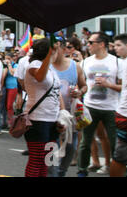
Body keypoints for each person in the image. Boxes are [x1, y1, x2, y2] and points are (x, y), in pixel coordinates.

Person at [77, 31, 123, 177]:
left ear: (102, 44)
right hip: (90, 106)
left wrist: (108, 85)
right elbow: (81, 84)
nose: (88, 45)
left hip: (111, 108)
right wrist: (78, 92)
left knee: (115, 141)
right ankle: (82, 170)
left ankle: (118, 170)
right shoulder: (85, 62)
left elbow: (124, 87)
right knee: (86, 141)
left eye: (91, 42)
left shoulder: (117, 62)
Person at [23, 38, 64, 177]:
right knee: (37, 159)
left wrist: (62, 115)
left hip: (51, 118)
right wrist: (49, 56)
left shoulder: (50, 67)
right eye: (55, 49)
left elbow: (56, 92)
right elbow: (40, 77)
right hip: (38, 118)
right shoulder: (34, 65)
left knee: (46, 160)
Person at [48, 39, 87, 177]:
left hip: (70, 114)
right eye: (50, 49)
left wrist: (80, 92)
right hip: (51, 113)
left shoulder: (75, 66)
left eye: (55, 48)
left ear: (64, 49)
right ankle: (51, 173)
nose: (52, 52)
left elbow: (84, 85)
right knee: (51, 146)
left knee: (70, 146)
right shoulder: (46, 67)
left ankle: (61, 172)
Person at [110, 34, 127, 177]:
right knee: (120, 156)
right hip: (125, 114)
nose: (115, 48)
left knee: (120, 155)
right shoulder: (124, 62)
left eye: (118, 45)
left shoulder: (124, 62)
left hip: (123, 112)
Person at [3, 53, 19, 128]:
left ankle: (11, 122)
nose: (7, 60)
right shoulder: (4, 65)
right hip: (5, 87)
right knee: (5, 106)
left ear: (12, 59)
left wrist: (9, 64)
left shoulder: (15, 65)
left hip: (12, 87)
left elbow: (13, 73)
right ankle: (6, 121)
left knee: (9, 105)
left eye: (9, 58)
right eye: (6, 58)